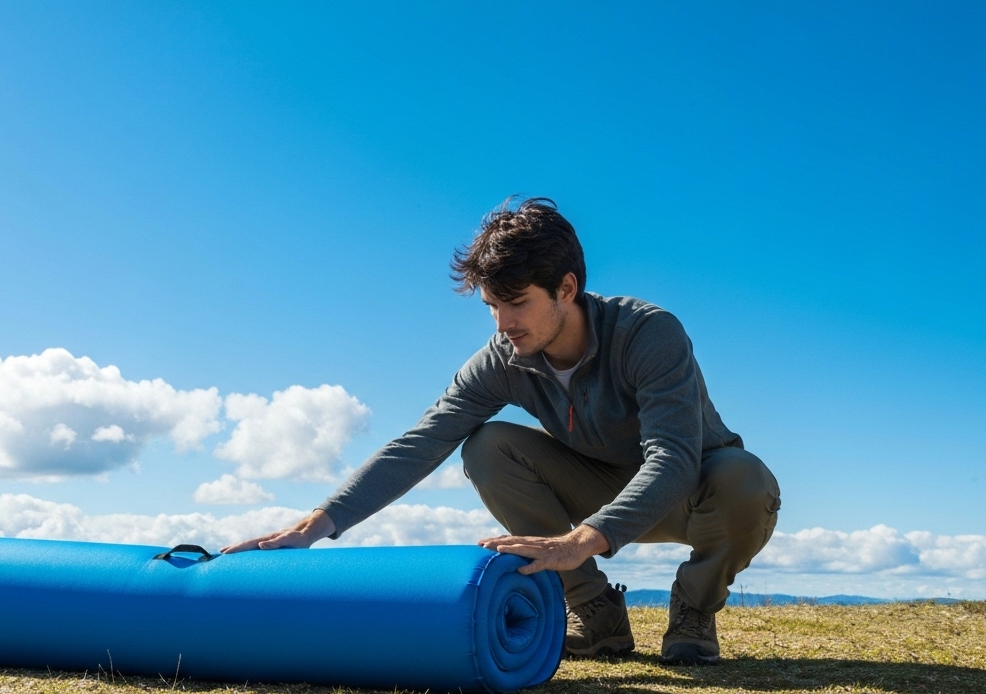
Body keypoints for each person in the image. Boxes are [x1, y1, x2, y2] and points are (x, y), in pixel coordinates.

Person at [222, 197, 780, 665]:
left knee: (745, 478)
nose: (503, 323)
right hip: (597, 486)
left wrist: (579, 541)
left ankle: (693, 610)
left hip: (691, 492)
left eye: (516, 304)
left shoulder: (648, 334)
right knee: (487, 446)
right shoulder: (502, 359)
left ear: (566, 288)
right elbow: (422, 442)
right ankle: (595, 613)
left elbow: (672, 458)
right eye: (492, 306)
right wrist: (314, 525)